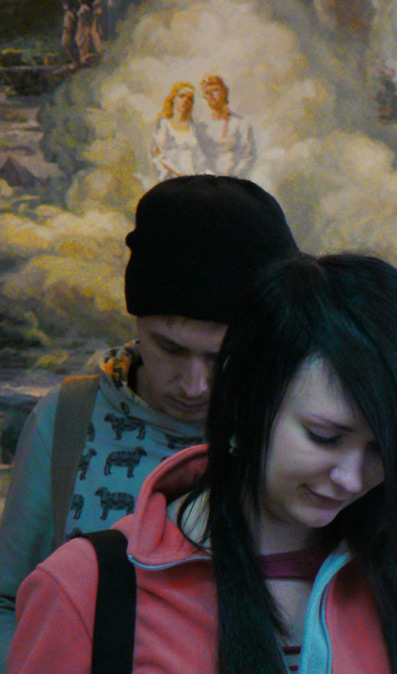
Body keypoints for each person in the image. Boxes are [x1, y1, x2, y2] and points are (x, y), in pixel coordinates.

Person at [8, 253, 397, 673]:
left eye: (381, 450)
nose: (351, 477)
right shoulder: (86, 589)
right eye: (323, 437)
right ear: (246, 398)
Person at [0, 175, 300, 672]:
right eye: (170, 348)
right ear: (136, 321)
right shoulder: (67, 418)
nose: (195, 384)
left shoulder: (290, 430)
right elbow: (9, 599)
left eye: (222, 357)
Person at [197, 74, 256, 178]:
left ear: (224, 92)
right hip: (209, 180)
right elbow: (199, 158)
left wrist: (233, 177)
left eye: (215, 91)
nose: (211, 96)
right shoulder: (202, 126)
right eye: (207, 93)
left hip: (235, 180)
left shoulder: (241, 122)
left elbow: (248, 155)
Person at [150, 82, 206, 182]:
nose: (186, 100)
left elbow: (199, 157)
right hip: (170, 178)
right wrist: (179, 175)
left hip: (191, 179)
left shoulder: (193, 127)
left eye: (189, 98)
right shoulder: (164, 124)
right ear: (173, 99)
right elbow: (159, 155)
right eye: (182, 96)